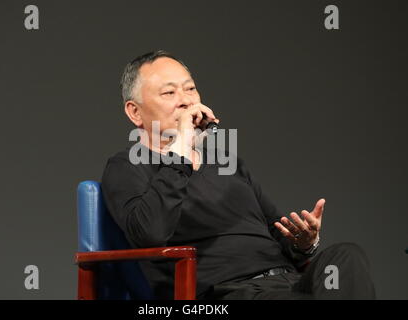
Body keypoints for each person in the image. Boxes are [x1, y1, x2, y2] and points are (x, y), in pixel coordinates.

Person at [101, 50, 376, 300]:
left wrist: (304, 244)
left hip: (288, 282)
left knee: (346, 256)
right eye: (169, 93)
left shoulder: (227, 164)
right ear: (135, 112)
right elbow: (149, 234)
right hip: (228, 292)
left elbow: (277, 233)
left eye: (190, 89)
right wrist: (181, 150)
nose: (186, 101)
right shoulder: (126, 166)